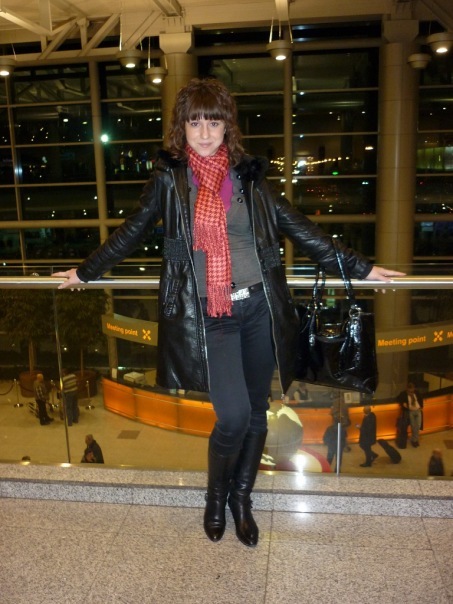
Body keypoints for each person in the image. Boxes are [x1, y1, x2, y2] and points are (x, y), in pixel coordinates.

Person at [53, 78, 404, 547]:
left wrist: (360, 268)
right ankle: (214, 498)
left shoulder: (249, 177)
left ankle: (242, 499)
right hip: (209, 314)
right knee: (234, 416)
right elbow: (132, 231)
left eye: (213, 122)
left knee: (258, 412)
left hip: (259, 308)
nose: (204, 132)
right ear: (181, 127)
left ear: (227, 127)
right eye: (195, 122)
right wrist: (86, 271)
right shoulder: (170, 179)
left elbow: (297, 226)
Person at [397, 382, 424, 448]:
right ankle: (414, 440)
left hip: (418, 411)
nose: (411, 393)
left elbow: (420, 399)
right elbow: (398, 398)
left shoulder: (416, 393)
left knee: (418, 426)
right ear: (407, 390)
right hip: (411, 412)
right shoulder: (403, 394)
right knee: (413, 426)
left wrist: (421, 406)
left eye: (412, 391)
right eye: (409, 392)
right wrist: (403, 403)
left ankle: (414, 439)